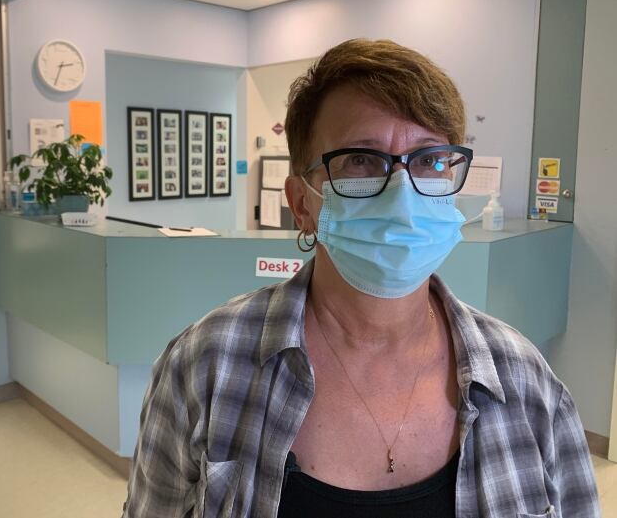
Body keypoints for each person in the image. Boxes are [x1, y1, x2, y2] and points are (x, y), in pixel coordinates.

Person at [122, 39, 599, 517]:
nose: (401, 193)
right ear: (301, 203)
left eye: (430, 159)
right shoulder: (206, 364)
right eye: (360, 159)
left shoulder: (524, 380)